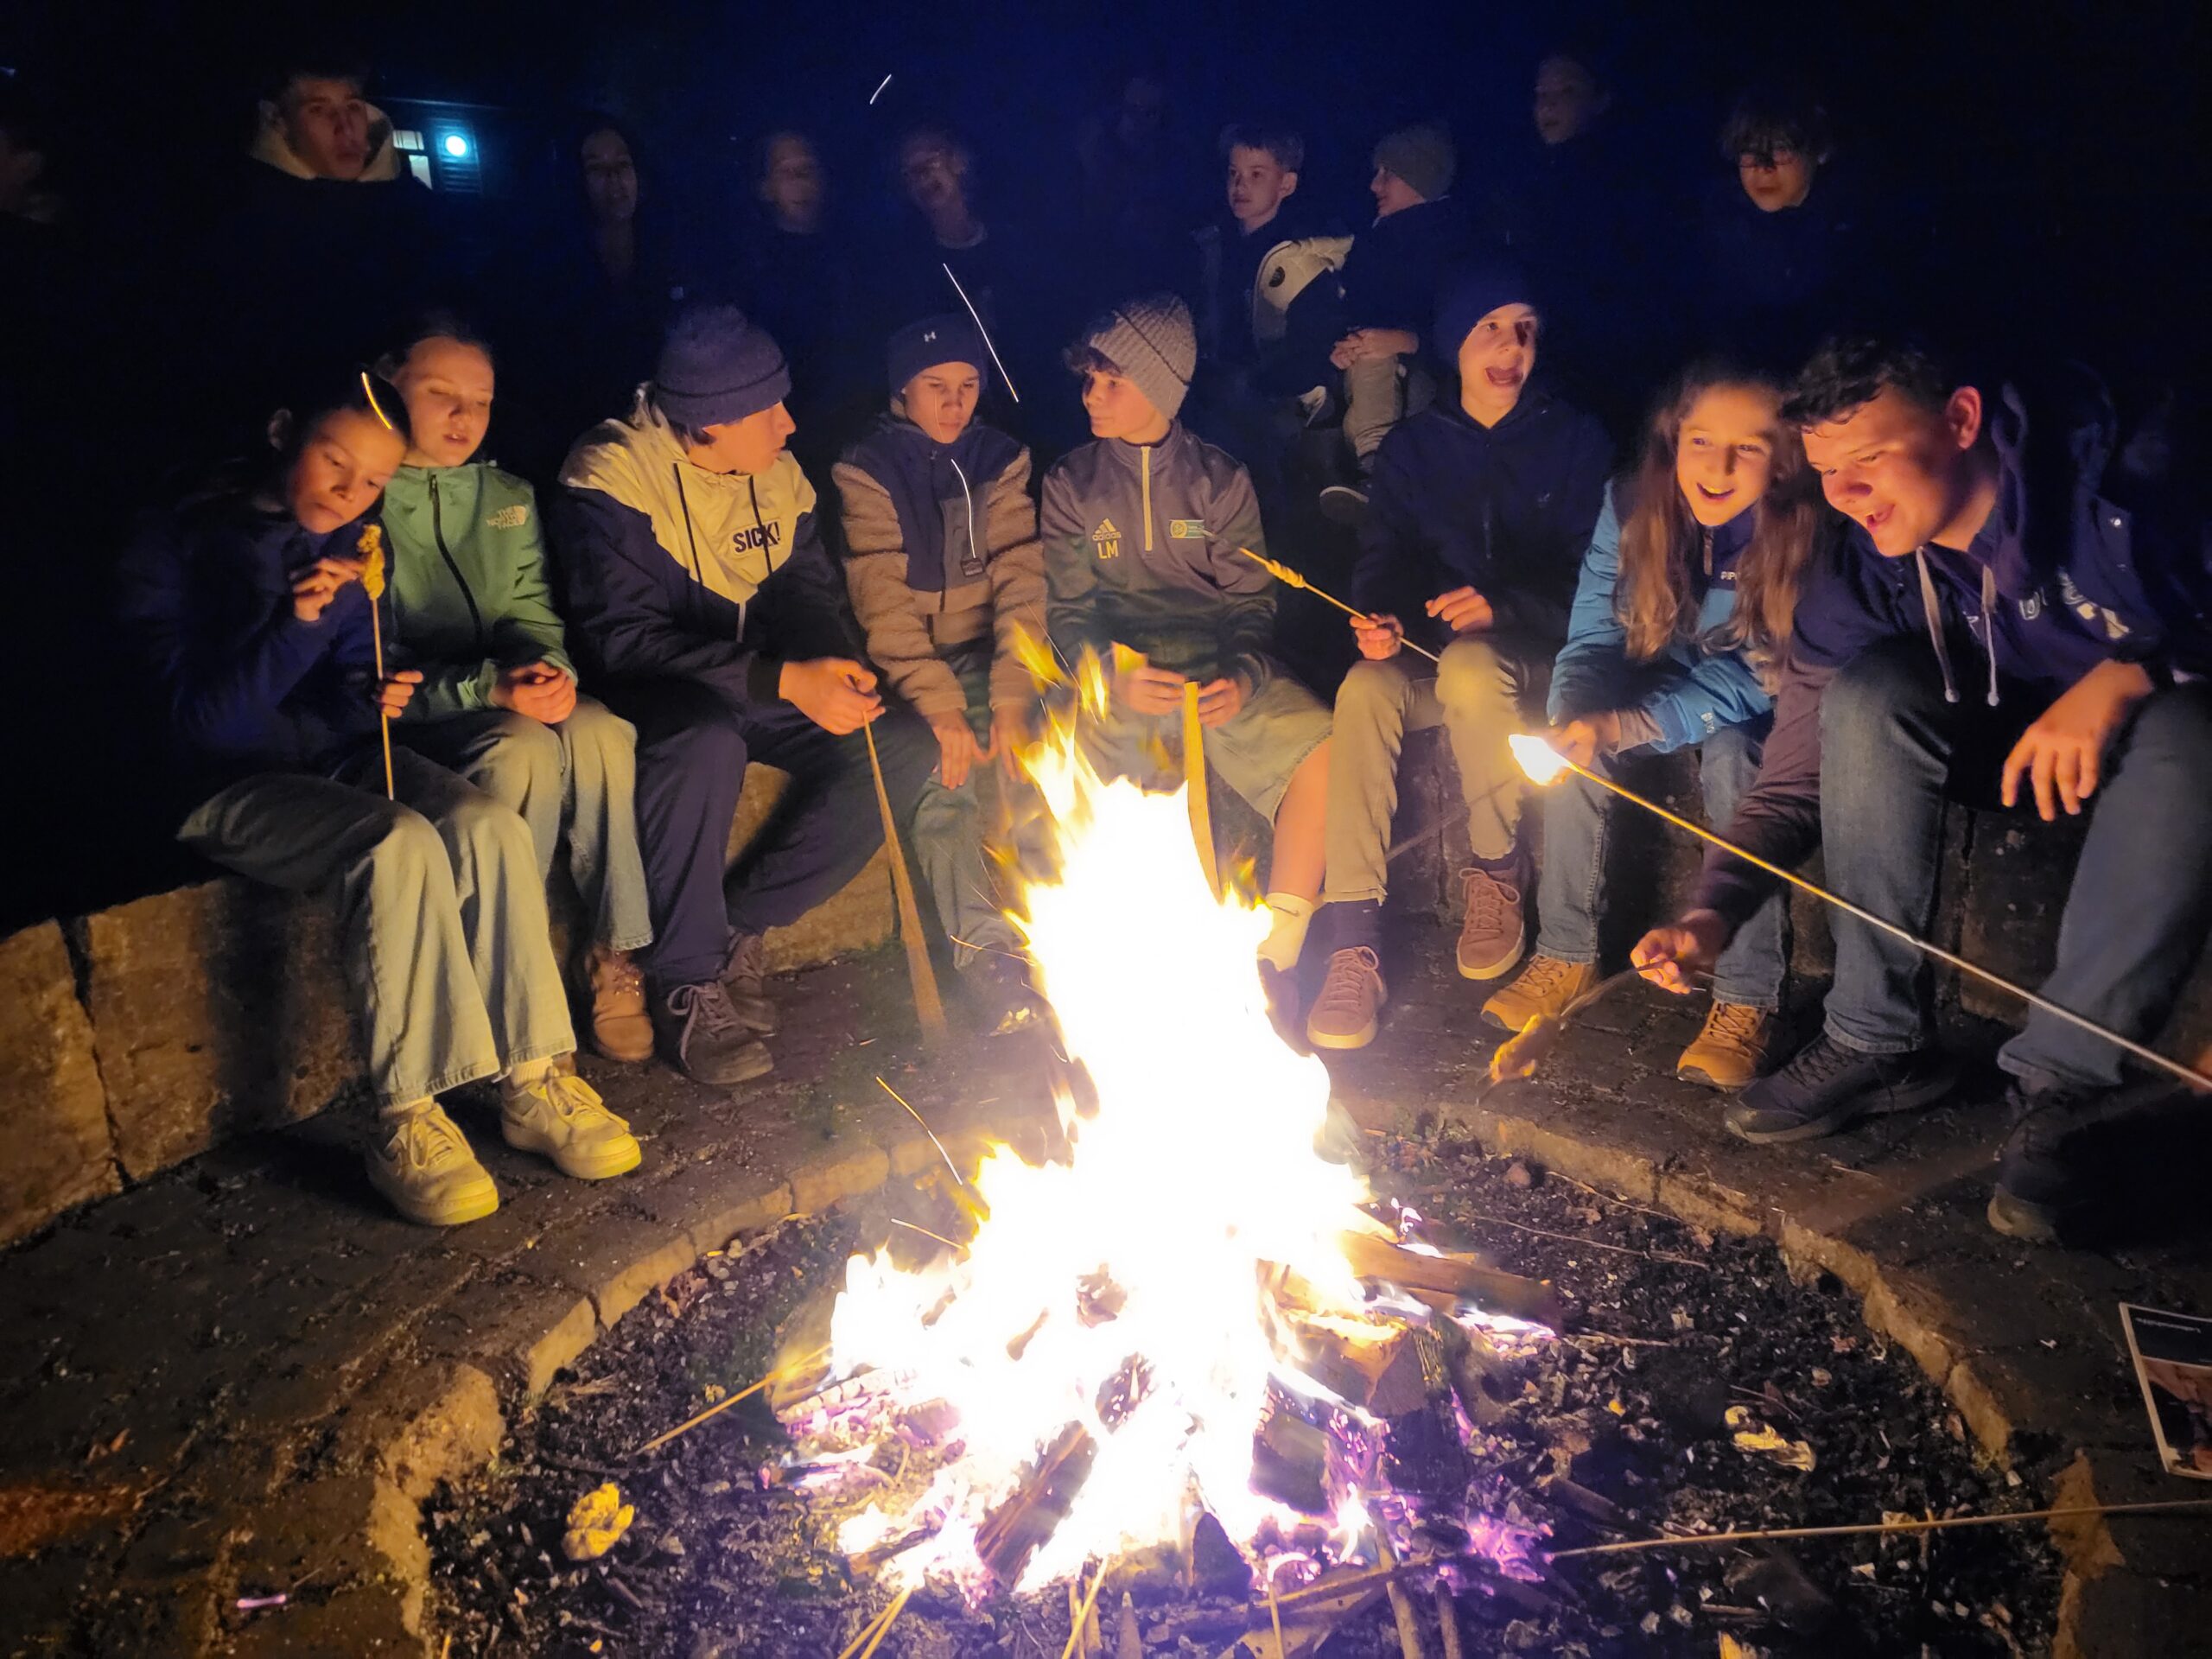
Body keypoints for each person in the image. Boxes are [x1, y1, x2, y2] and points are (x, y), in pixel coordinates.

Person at [1631, 336, 2212, 1243]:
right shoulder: (1864, 568)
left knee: (2193, 731)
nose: (1847, 492)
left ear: (1961, 420)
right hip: (2006, 739)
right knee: (1868, 694)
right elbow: (1792, 776)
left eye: (1870, 456)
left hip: (2163, 732)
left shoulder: (2126, 482)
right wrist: (1713, 912)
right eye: (1827, 468)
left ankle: (2061, 1091)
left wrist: (2134, 671)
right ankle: (1875, 1038)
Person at [118, 371, 640, 1227]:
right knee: (396, 843)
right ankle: (407, 1120)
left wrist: (378, 692)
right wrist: (294, 631)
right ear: (283, 431)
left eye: (371, 482)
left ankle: (535, 1078)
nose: (349, 493)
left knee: (485, 825)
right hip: (227, 788)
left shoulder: (353, 545)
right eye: (335, 463)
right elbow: (205, 729)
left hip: (338, 759)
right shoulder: (174, 541)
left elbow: (356, 683)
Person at [553, 305, 938, 1085]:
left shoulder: (774, 474)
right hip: (655, 695)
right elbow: (622, 641)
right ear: (709, 424)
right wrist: (782, 678)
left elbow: (806, 592)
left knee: (899, 744)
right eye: (769, 411)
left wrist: (833, 665)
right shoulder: (610, 478)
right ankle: (686, 982)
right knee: (704, 740)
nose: (790, 425)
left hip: (759, 681)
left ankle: (736, 926)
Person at [1479, 365, 1823, 1087]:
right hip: (1669, 672)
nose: (1718, 467)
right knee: (1571, 732)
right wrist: (1579, 718)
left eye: (1748, 447)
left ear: (1785, 457)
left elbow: (1764, 673)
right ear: (1673, 439)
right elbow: (1593, 636)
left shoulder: (1803, 527)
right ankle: (1566, 953)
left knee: (1737, 756)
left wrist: (1628, 724)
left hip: (1765, 696)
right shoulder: (1632, 504)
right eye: (1701, 440)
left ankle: (1747, 996)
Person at [1306, 264, 1612, 1051]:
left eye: (1525, 330)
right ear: (1455, 344)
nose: (1511, 347)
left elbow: (1600, 579)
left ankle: (1496, 869)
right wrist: (1379, 619)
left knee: (1474, 665)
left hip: (1536, 660)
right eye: (1491, 328)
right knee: (1365, 687)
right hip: (1438, 657)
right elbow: (1386, 557)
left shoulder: (1576, 439)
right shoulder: (1414, 448)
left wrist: (1504, 608)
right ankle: (1353, 938)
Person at [1042, 293, 1333, 1028]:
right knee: (1084, 779)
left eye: (1112, 381)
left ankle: (1275, 954)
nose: (1092, 395)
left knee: (1324, 747)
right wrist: (1107, 676)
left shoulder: (1218, 480)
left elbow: (1251, 602)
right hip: (1124, 676)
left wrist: (1243, 676)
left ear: (1160, 387)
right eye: (1090, 379)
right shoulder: (1071, 484)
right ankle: (1134, 980)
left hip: (1213, 670)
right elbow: (1068, 612)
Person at [377, 321, 655, 1065]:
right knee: (520, 749)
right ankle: (517, 987)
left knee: (598, 730)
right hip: (424, 716)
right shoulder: (363, 501)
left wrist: (546, 671)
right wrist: (489, 687)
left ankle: (613, 953)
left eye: (481, 401)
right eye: (440, 394)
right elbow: (376, 669)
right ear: (387, 385)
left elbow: (531, 610)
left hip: (504, 693)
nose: (462, 417)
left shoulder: (504, 495)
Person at [836, 315, 1046, 1028]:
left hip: (989, 655)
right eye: (936, 386)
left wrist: (1012, 693)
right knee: (944, 776)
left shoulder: (999, 461)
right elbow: (883, 604)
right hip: (909, 669)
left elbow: (1021, 581)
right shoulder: (868, 467)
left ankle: (1063, 931)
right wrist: (940, 705)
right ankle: (988, 958)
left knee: (1039, 756)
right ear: (903, 389)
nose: (954, 404)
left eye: (968, 386)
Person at [1186, 123, 1349, 516]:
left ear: (1286, 184)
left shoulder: (1302, 260)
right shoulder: (1214, 244)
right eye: (1234, 173)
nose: (1240, 185)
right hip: (1217, 383)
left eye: (1256, 175)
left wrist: (1255, 381)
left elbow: (1313, 352)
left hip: (1278, 397)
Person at [1321, 123, 1476, 515]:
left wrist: (1405, 340)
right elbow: (1353, 312)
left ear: (1419, 178)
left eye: (1387, 174)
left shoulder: (1457, 244)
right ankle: (1374, 473)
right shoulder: (1375, 241)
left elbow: (1469, 333)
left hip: (1435, 374)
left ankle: (1385, 477)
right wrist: (1344, 346)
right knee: (1367, 359)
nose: (1374, 185)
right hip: (1374, 376)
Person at [1693, 86, 1891, 372]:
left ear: (1819, 151)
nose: (1763, 168)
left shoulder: (1858, 231)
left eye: (1780, 149)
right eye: (1749, 151)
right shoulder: (1716, 227)